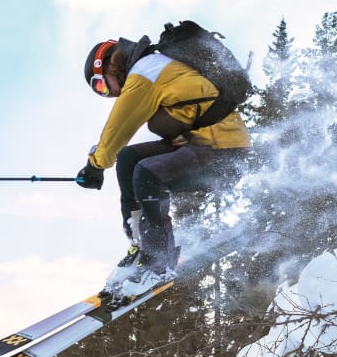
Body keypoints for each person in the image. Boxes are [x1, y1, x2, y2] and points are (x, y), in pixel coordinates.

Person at [76, 33, 252, 291]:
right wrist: (100, 163)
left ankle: (157, 263)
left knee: (147, 175)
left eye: (102, 86)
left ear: (111, 65)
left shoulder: (146, 72)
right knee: (128, 159)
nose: (109, 94)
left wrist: (95, 166)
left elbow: (118, 127)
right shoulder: (154, 67)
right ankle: (141, 246)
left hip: (224, 151)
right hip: (203, 145)